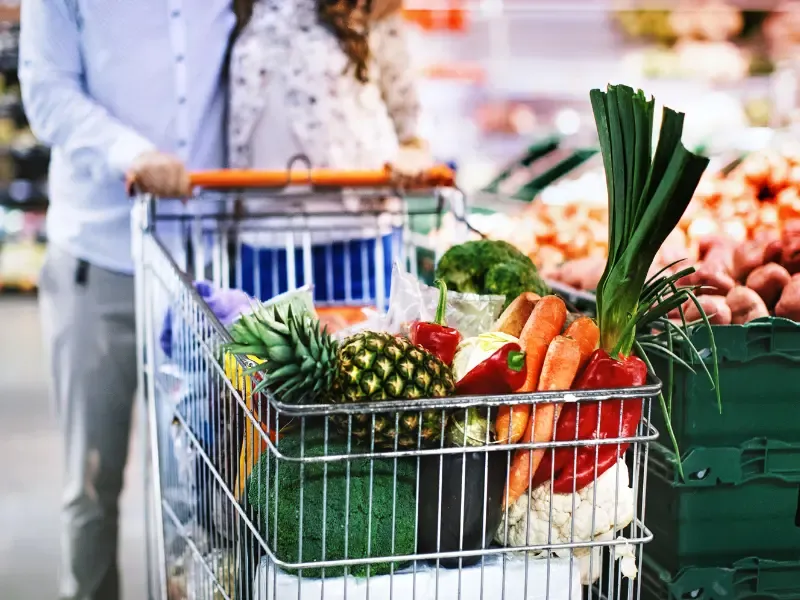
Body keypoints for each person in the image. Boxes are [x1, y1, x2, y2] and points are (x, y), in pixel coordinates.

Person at [18, 2, 237, 598]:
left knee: (204, 487)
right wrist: (129, 151)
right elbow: (45, 90)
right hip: (100, 255)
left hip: (205, 272)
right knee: (92, 484)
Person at [228, 0, 433, 305]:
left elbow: (407, 107)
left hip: (359, 236)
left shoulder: (368, 6)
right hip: (265, 238)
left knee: (367, 346)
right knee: (257, 353)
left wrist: (414, 151)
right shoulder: (240, 7)